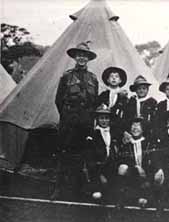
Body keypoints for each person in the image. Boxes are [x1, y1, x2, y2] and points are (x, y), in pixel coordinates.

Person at [52, 42, 99, 200]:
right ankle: (58, 188)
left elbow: (94, 102)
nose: (81, 58)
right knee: (63, 153)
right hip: (69, 120)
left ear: (88, 58)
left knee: (82, 155)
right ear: (74, 57)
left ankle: (78, 190)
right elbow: (58, 100)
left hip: (85, 122)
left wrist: (87, 119)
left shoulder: (93, 78)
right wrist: (67, 116)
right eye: (79, 55)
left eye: (84, 55)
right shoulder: (66, 76)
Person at [84, 104, 120, 202]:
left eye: (106, 118)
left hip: (111, 167)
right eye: (101, 118)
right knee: (97, 195)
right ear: (98, 119)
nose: (104, 121)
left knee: (115, 192)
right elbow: (90, 159)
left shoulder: (114, 133)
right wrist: (99, 174)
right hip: (98, 168)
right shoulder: (93, 135)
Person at [116, 117, 155, 208]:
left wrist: (145, 172)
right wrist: (136, 167)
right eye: (133, 126)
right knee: (123, 167)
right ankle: (123, 197)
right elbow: (122, 161)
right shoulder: (126, 144)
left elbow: (153, 162)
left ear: (143, 129)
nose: (135, 128)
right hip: (132, 176)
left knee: (143, 202)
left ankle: (142, 197)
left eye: (138, 126)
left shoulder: (149, 143)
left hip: (146, 177)